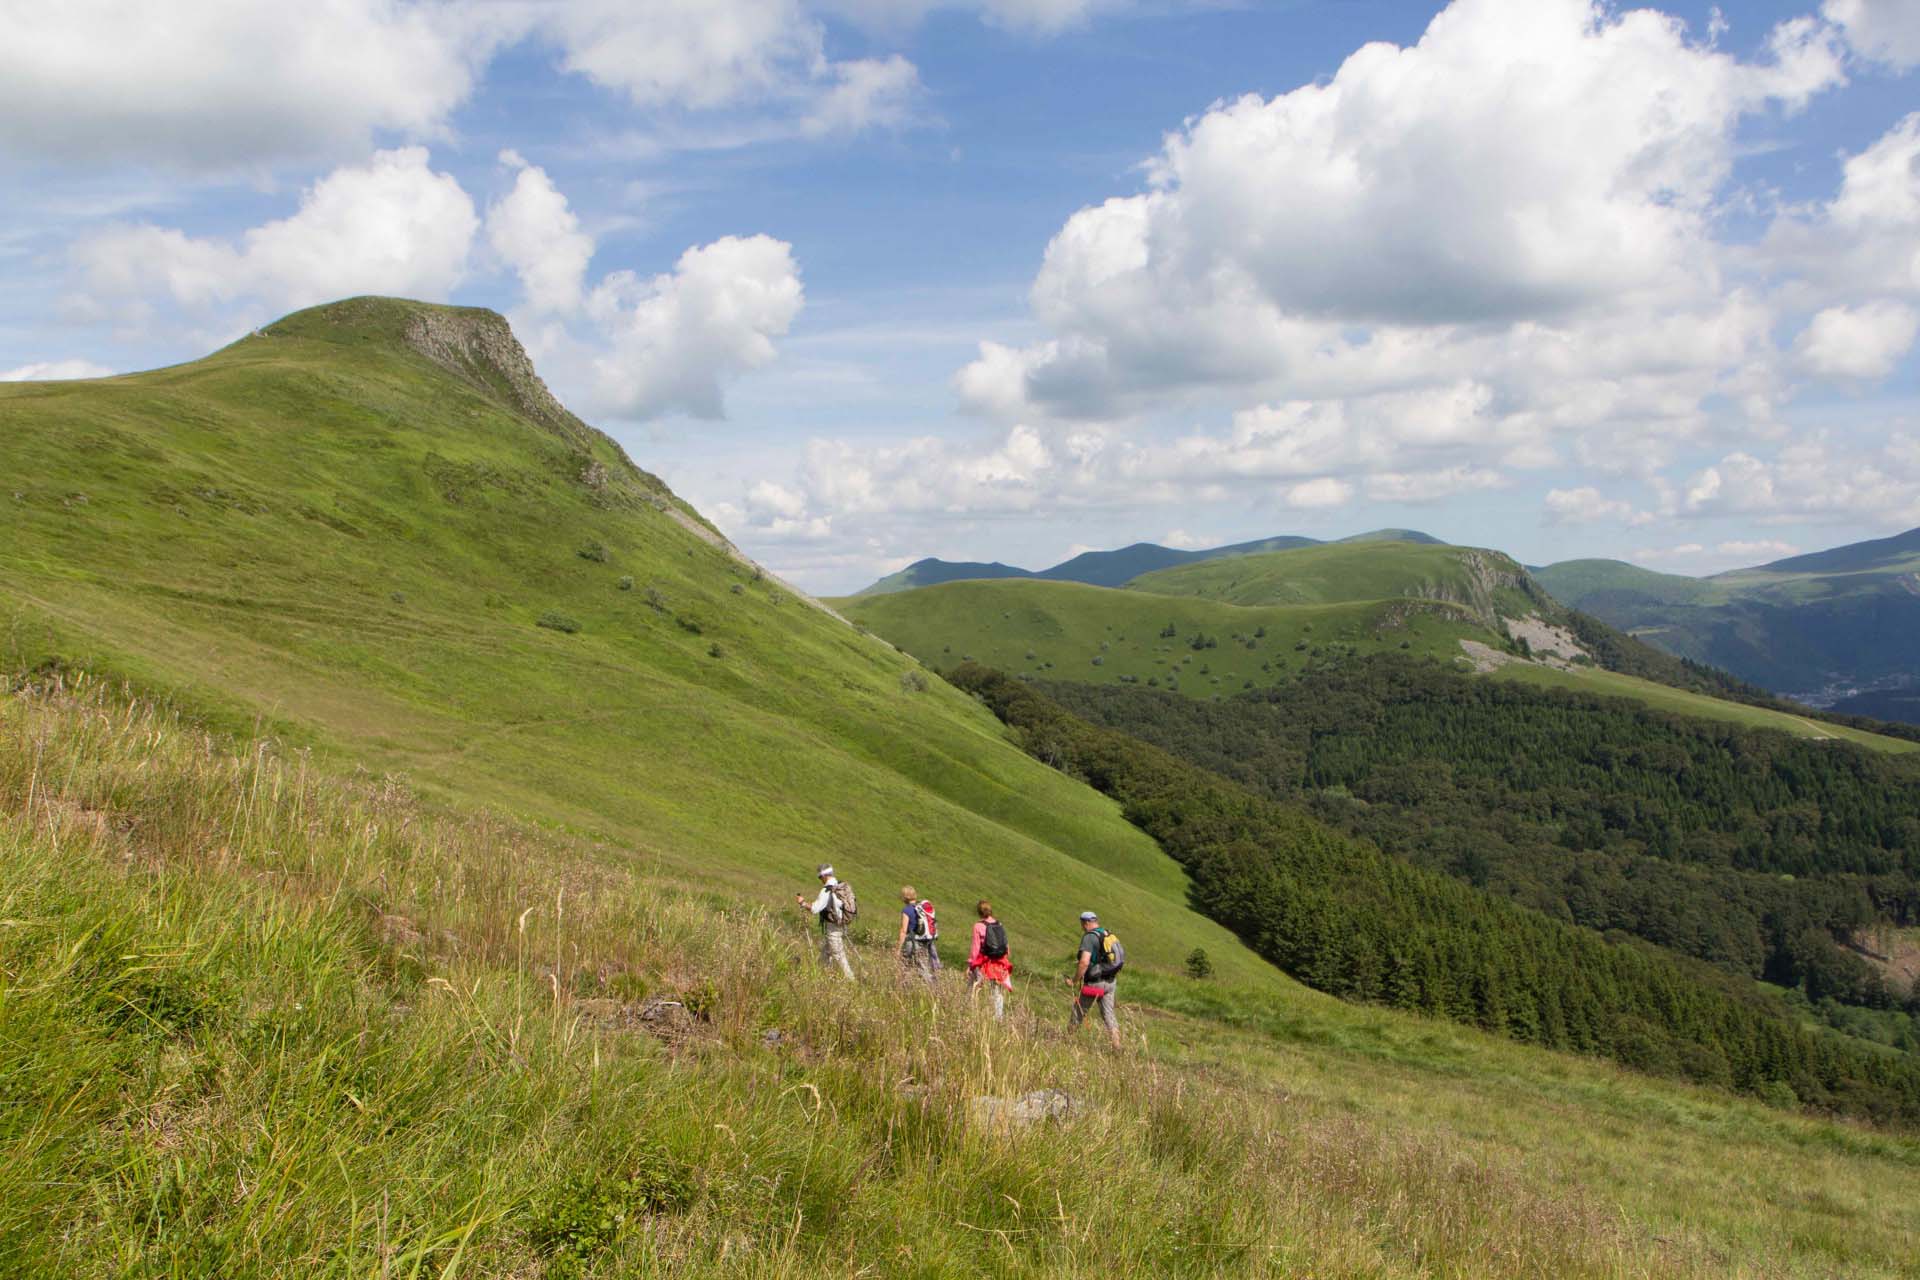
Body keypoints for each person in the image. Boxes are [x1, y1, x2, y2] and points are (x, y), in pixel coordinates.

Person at [1070, 911, 1121, 1048]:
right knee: (1108, 1014)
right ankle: (1117, 1047)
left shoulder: (1089, 937)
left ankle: (1068, 1040)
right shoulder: (1107, 934)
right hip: (1110, 982)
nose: (1082, 927)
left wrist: (1074, 980)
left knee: (1079, 1010)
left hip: (1095, 983)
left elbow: (1084, 963)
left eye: (1082, 924)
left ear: (1086, 923)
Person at [795, 864, 855, 979]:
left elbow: (814, 909)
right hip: (841, 924)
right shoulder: (839, 885)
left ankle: (851, 980)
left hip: (833, 927)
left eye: (820, 877)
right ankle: (822, 977)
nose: (820, 880)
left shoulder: (827, 890)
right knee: (825, 953)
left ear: (824, 875)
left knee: (839, 956)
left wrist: (802, 903)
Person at [967, 900, 1013, 1018]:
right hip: (999, 963)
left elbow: (975, 949)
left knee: (974, 987)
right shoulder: (999, 924)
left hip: (984, 963)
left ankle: (971, 1012)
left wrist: (971, 965)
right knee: (996, 991)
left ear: (979, 912)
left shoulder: (978, 926)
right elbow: (1006, 945)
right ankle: (998, 1017)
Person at [896, 885, 939, 985]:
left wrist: (898, 948)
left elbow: (903, 930)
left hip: (911, 942)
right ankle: (934, 987)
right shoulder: (921, 909)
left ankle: (932, 987)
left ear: (904, 897)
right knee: (922, 966)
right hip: (923, 942)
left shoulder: (906, 910)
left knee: (905, 967)